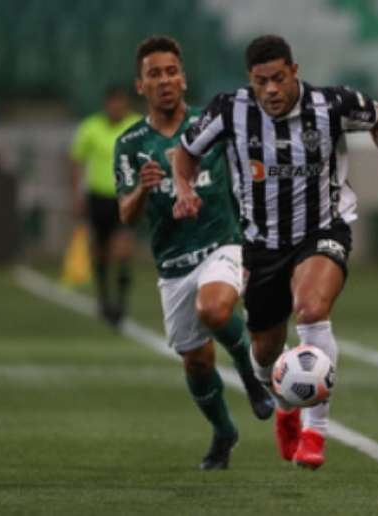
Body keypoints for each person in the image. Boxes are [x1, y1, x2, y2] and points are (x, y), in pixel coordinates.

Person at [173, 35, 378, 469]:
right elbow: (187, 151)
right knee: (265, 352)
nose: (270, 90)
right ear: (249, 81)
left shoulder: (333, 104)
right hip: (262, 244)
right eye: (260, 82)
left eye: (278, 79)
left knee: (310, 308)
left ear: (295, 71)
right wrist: (183, 188)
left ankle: (315, 432)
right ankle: (285, 404)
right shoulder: (229, 110)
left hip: (323, 228)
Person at [115, 36, 274, 470]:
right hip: (172, 264)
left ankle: (251, 376)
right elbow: (126, 216)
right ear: (140, 85)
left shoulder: (213, 124)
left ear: (183, 79)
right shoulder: (131, 144)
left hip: (223, 242)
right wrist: (142, 191)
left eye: (171, 72)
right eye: (154, 74)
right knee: (197, 362)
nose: (164, 80)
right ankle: (224, 432)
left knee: (215, 309)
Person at [70, 85, 141, 326]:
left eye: (121, 103)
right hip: (97, 196)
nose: (116, 108)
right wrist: (77, 194)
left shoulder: (138, 126)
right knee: (99, 249)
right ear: (106, 104)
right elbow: (77, 161)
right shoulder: (91, 127)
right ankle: (103, 298)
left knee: (122, 248)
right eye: (112, 103)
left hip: (126, 197)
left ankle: (120, 304)